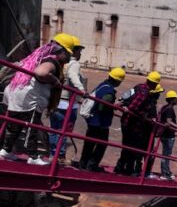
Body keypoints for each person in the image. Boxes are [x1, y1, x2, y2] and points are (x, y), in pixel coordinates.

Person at [0, 33, 75, 165]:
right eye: (69, 53)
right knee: (32, 126)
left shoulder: (38, 57)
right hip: (30, 98)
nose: (70, 56)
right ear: (61, 51)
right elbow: (41, 72)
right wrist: (55, 80)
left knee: (15, 125)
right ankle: (33, 157)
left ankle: (6, 150)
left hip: (15, 93)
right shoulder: (52, 61)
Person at [113, 71, 160, 176]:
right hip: (132, 125)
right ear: (154, 84)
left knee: (127, 148)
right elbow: (133, 107)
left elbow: (126, 98)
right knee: (130, 148)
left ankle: (122, 168)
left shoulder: (139, 86)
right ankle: (124, 169)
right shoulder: (145, 93)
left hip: (126, 122)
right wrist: (144, 116)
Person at [79, 67, 125, 172]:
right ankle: (91, 166)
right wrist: (116, 105)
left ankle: (83, 164)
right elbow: (102, 107)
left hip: (92, 120)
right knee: (101, 145)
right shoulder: (109, 92)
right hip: (100, 123)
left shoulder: (103, 85)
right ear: (118, 81)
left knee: (89, 144)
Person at [49, 36, 86, 165]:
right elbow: (73, 76)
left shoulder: (62, 62)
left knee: (54, 129)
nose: (80, 53)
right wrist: (82, 90)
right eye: (79, 50)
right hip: (67, 103)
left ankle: (53, 154)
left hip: (56, 100)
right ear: (74, 51)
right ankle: (60, 156)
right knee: (63, 131)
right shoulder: (74, 63)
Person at [143, 84, 164, 178]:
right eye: (159, 93)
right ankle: (146, 173)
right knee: (148, 152)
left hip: (146, 131)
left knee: (146, 152)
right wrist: (153, 121)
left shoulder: (151, 102)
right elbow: (145, 117)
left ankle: (143, 171)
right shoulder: (150, 104)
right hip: (147, 132)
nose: (160, 95)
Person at [159, 90, 177, 181]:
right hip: (168, 136)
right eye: (176, 98)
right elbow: (168, 122)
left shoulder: (165, 107)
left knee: (166, 154)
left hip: (164, 135)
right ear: (172, 100)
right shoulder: (169, 109)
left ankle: (166, 171)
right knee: (166, 154)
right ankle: (164, 173)